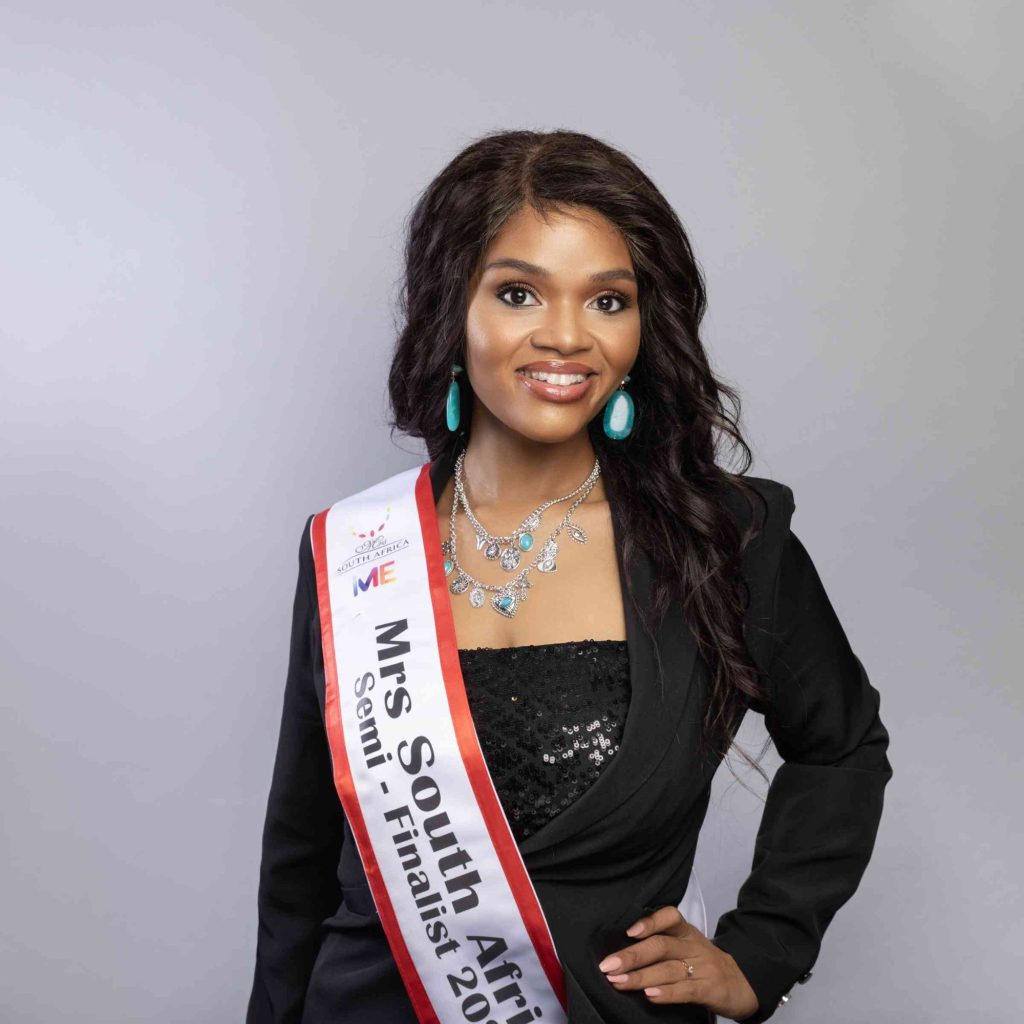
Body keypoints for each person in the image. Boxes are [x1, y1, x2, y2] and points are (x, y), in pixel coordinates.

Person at [245, 129, 893, 1024]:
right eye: (518, 292)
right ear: (452, 307)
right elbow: (302, 856)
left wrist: (762, 951)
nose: (565, 336)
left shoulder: (723, 540)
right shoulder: (356, 550)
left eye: (608, 300)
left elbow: (843, 747)